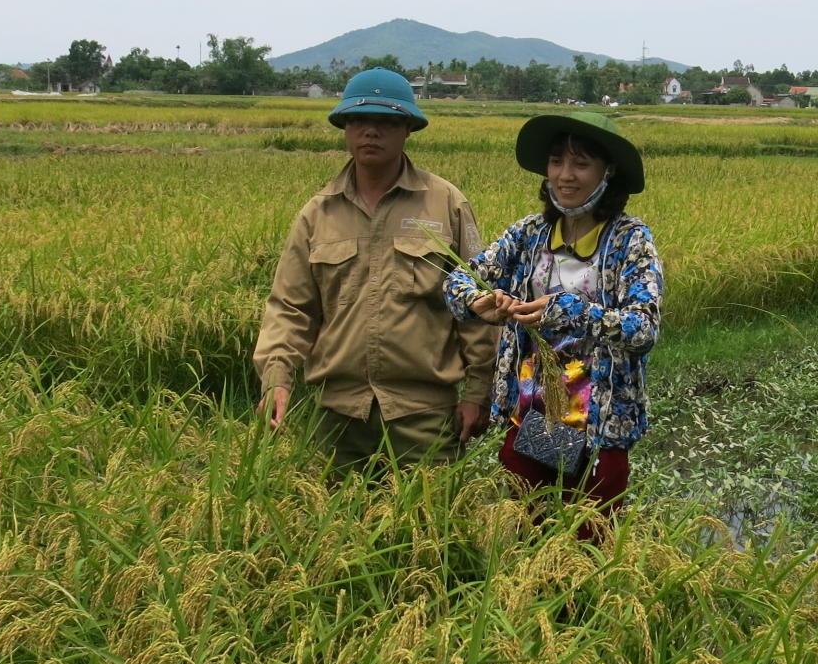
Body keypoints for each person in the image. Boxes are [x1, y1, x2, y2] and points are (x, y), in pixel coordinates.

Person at [254, 68, 497, 476]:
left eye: (387, 121)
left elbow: (477, 304)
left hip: (425, 415)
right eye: (360, 120)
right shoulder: (318, 214)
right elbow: (290, 308)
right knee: (334, 532)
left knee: (429, 532)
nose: (371, 131)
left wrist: (478, 390)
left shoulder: (445, 204)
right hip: (338, 417)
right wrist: (277, 377)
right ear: (346, 128)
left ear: (407, 129)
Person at [443, 111, 664, 539]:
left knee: (588, 545)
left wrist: (569, 310)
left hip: (597, 429)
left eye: (581, 164)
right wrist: (479, 301)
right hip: (533, 420)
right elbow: (458, 279)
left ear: (607, 171)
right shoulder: (530, 234)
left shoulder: (628, 240)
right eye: (557, 161)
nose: (565, 175)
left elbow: (644, 326)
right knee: (529, 535)